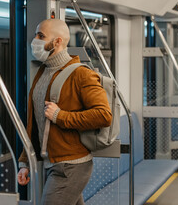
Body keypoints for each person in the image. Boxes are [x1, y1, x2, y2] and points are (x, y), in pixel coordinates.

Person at [17, 19, 112, 205]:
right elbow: (35, 123)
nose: (35, 40)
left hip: (71, 165)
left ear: (58, 41)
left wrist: (60, 116)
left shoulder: (81, 74)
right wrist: (25, 162)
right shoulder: (42, 72)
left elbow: (103, 114)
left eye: (41, 36)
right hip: (51, 163)